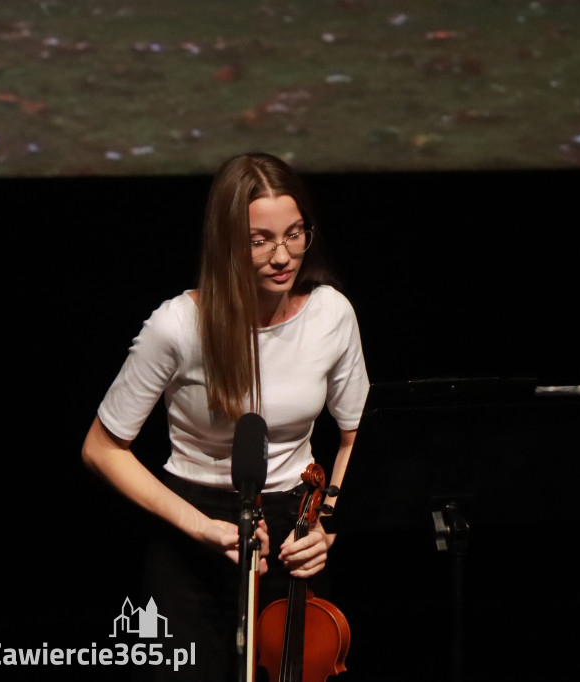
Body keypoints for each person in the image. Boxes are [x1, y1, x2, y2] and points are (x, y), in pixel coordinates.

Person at [82, 152, 369, 680]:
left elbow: (356, 435)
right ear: (227, 242)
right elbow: (102, 447)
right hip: (193, 532)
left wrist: (326, 527)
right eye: (260, 239)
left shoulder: (332, 313)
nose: (283, 255)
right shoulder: (177, 326)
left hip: (292, 537)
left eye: (295, 233)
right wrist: (204, 529)